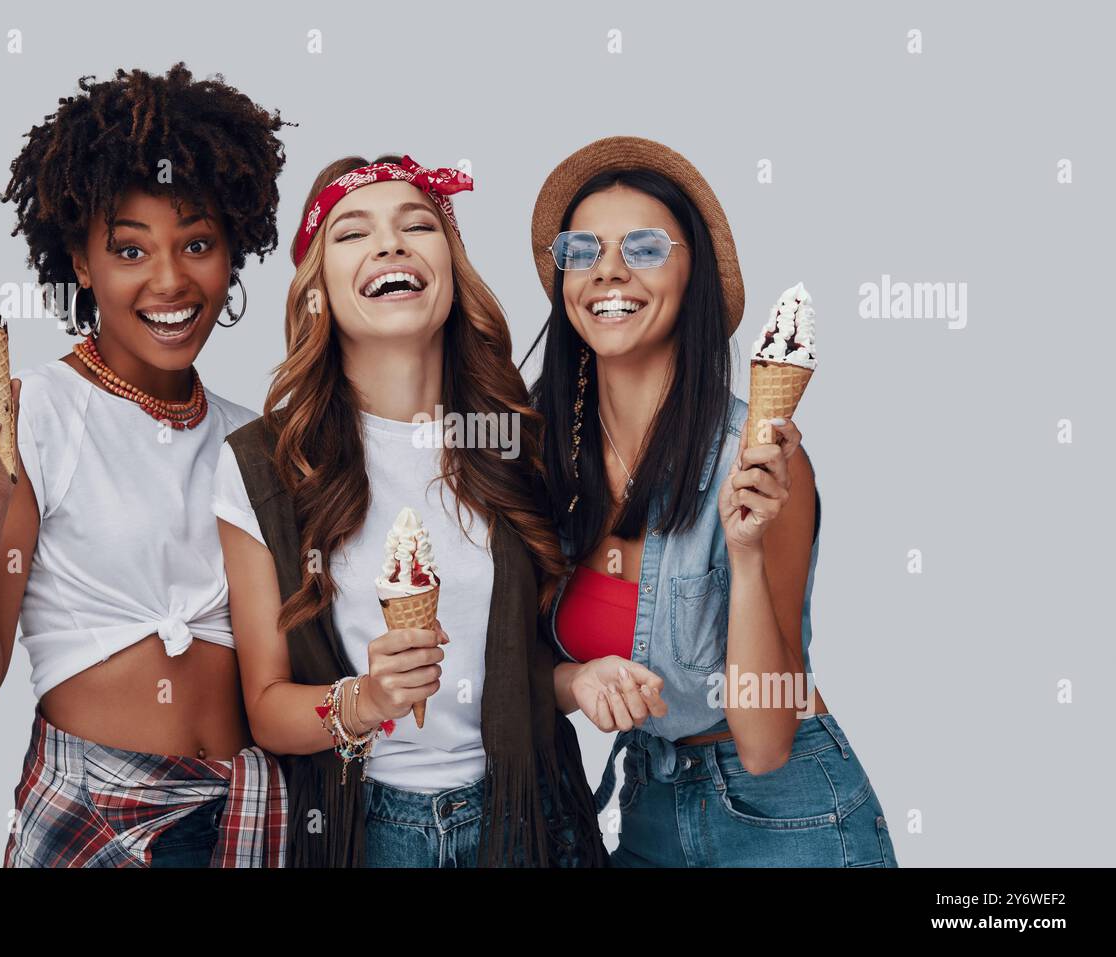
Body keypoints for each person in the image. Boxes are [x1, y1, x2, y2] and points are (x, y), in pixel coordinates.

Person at [0, 63, 292, 867]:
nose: (169, 279)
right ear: (82, 263)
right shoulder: (35, 417)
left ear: (232, 254)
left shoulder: (254, 440)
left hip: (245, 819)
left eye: (198, 243)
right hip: (96, 821)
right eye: (130, 248)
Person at [213, 154, 608, 867]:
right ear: (318, 292)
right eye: (352, 233)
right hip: (365, 832)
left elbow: (536, 665)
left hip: (530, 822)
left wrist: (583, 679)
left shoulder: (523, 444)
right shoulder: (263, 464)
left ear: (452, 271)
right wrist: (363, 700)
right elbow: (267, 706)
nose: (390, 243)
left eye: (417, 224)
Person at [523, 136, 897, 867]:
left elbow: (763, 742)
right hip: (648, 810)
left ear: (693, 272)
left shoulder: (755, 461)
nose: (608, 271)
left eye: (643, 247)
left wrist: (748, 554)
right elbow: (506, 664)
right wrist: (573, 680)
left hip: (790, 819)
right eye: (583, 248)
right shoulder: (543, 459)